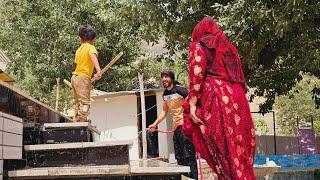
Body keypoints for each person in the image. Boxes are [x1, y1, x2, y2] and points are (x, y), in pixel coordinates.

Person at [183, 16, 256, 179]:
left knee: (224, 146)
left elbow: (197, 74)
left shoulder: (199, 45)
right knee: (241, 151)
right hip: (238, 101)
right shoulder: (231, 49)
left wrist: (193, 102)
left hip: (218, 98)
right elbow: (241, 80)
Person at [148, 70, 198, 179]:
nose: (164, 79)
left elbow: (193, 101)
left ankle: (194, 178)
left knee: (189, 156)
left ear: (172, 78)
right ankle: (184, 177)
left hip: (185, 127)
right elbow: (164, 111)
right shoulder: (165, 94)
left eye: (167, 77)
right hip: (176, 128)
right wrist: (155, 124)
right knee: (179, 157)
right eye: (163, 77)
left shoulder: (181, 90)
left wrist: (191, 116)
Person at [71, 25, 102, 122]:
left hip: (74, 77)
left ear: (81, 38)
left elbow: (78, 63)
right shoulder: (91, 47)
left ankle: (77, 118)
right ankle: (83, 119)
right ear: (93, 38)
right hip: (83, 78)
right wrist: (98, 71)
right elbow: (92, 56)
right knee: (85, 102)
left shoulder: (79, 49)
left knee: (77, 101)